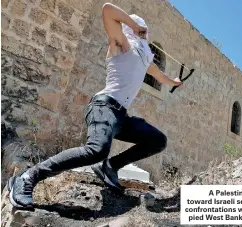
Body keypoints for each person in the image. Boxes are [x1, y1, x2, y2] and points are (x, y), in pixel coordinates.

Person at [8, 3, 183, 209]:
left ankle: (110, 167)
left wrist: (174, 81)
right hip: (103, 107)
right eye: (141, 32)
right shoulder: (121, 44)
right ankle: (28, 176)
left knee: (157, 140)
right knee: (96, 150)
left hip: (120, 117)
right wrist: (132, 24)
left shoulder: (144, 60)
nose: (145, 37)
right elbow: (108, 10)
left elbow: (158, 75)